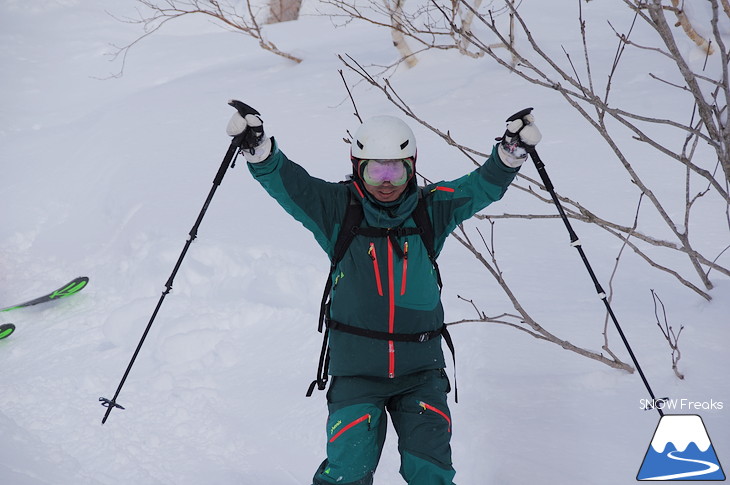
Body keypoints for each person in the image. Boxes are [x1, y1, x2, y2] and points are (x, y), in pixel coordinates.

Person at [226, 103, 541, 485]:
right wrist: (259, 150)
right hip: (357, 372)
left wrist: (510, 153)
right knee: (346, 473)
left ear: (412, 166)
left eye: (397, 169)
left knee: (431, 473)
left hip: (420, 371)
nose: (387, 180)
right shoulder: (336, 209)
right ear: (357, 167)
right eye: (376, 169)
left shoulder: (431, 208)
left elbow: (480, 187)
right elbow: (290, 184)